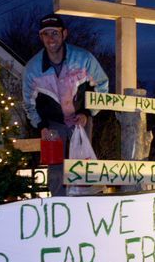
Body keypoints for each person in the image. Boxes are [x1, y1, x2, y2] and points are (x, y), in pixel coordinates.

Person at [22, 14, 109, 196]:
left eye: (55, 33)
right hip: (52, 124)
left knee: (84, 165)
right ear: (41, 37)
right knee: (55, 170)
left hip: (81, 119)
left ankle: (86, 203)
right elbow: (29, 103)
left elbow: (102, 84)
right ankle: (60, 209)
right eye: (46, 34)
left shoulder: (83, 59)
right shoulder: (33, 68)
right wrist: (41, 125)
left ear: (64, 34)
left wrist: (88, 112)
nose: (51, 38)